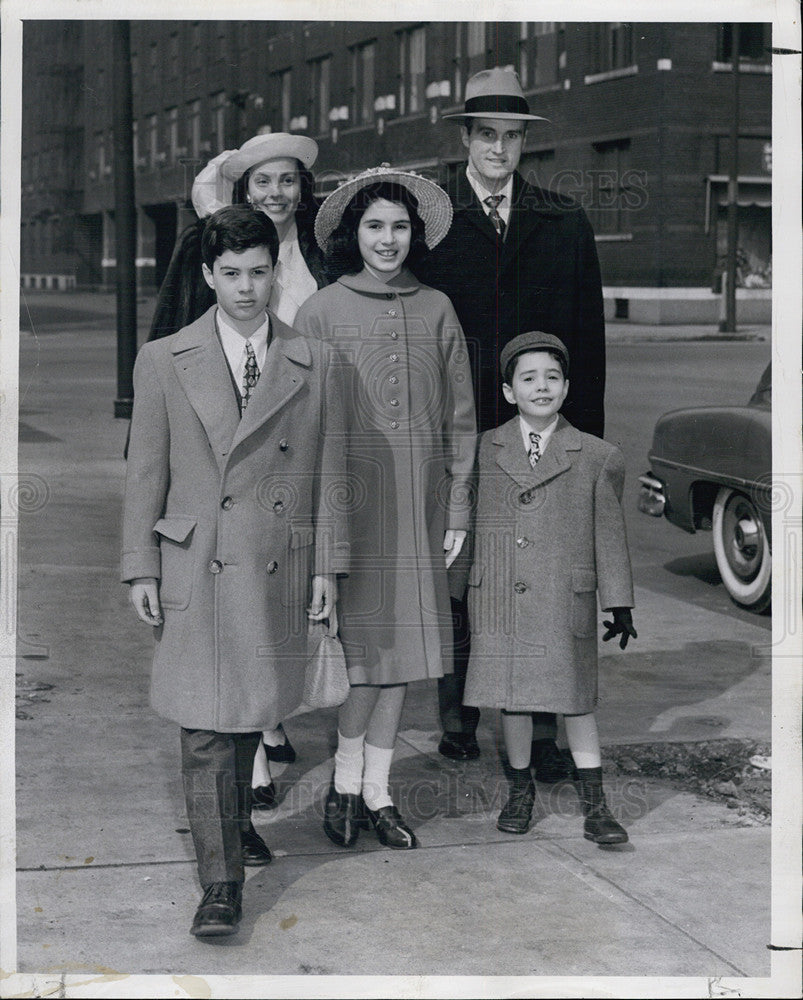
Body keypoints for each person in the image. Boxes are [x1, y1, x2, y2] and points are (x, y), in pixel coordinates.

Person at [122, 206, 348, 937]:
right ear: (206, 275)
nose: (246, 289)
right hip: (196, 560)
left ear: (274, 271)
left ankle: (229, 832)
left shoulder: (315, 362)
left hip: (278, 565)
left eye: (259, 273)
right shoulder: (163, 359)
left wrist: (328, 566)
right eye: (231, 275)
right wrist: (140, 567)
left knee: (248, 713)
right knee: (204, 728)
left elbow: (331, 473)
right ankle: (219, 887)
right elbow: (144, 473)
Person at [424, 67, 607, 776]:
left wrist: (582, 440)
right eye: (486, 135)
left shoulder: (562, 220)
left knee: (540, 573)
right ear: (465, 138)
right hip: (462, 431)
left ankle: (540, 723)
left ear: (522, 144)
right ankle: (458, 714)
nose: (498, 150)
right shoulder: (433, 221)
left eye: (510, 138)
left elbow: (585, 340)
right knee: (462, 571)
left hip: (542, 431)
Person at [295, 167, 476, 850]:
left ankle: (377, 793)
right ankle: (344, 789)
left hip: (421, 510)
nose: (387, 239)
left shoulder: (436, 308)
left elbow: (462, 418)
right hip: (351, 509)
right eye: (374, 225)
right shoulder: (319, 311)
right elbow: (302, 425)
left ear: (415, 234)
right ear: (352, 233)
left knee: (405, 654)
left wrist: (457, 507)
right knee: (363, 658)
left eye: (399, 226)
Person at [147, 131, 330, 802]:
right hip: (225, 449)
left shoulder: (317, 255)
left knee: (268, 631)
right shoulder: (215, 258)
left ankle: (268, 723)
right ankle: (247, 766)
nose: (277, 192)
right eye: (263, 182)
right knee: (225, 647)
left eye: (288, 181)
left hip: (291, 439)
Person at [462, 332, 636, 843]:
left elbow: (610, 534)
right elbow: (464, 520)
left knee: (576, 700)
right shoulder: (484, 448)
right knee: (511, 700)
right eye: (528, 378)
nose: (542, 387)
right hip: (499, 596)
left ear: (567, 388)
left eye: (552, 378)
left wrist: (619, 601)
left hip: (564, 599)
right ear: (509, 391)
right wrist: (455, 588)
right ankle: (520, 791)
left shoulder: (597, 456)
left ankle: (597, 804)